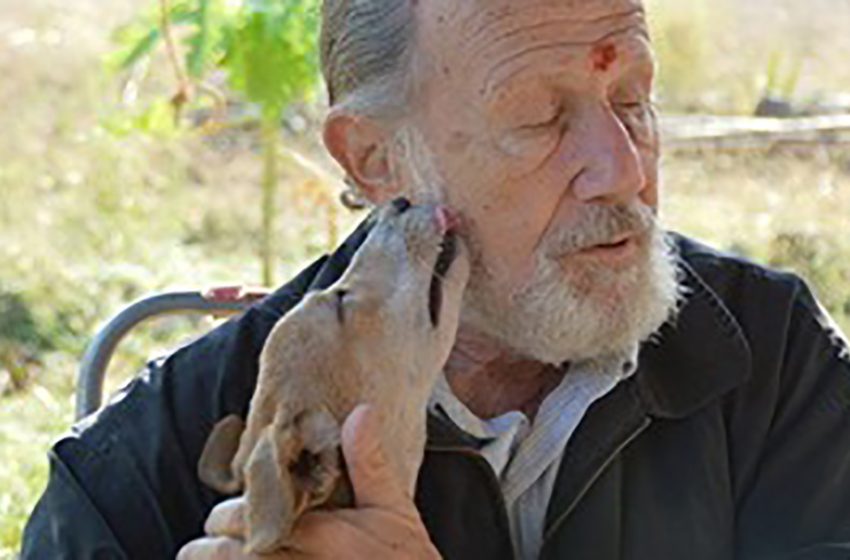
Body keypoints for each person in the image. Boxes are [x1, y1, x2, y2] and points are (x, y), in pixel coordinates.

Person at [22, 0, 850, 558]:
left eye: (633, 99)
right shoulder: (134, 477)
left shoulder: (770, 362)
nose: (623, 168)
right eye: (540, 118)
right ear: (377, 160)